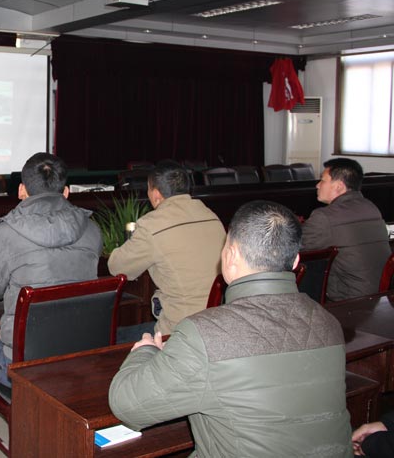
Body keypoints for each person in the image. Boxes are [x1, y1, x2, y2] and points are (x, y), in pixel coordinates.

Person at [108, 200, 352, 457]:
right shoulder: (328, 323)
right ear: (295, 262)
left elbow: (127, 405)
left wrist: (145, 351)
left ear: (231, 255)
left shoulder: (205, 334)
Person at [0, 152, 102, 387]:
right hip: (81, 353)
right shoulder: (92, 230)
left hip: (25, 361)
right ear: (66, 191)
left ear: (21, 190)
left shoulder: (5, 234)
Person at [107, 161, 225, 342]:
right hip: (217, 324)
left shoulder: (152, 225)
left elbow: (117, 267)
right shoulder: (211, 216)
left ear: (155, 194)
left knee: (112, 337)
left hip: (179, 332)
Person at [302, 158, 390, 301]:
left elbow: (294, 248)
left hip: (349, 300)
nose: (317, 185)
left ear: (338, 186)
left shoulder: (325, 217)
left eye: (322, 180)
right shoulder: (371, 207)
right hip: (381, 295)